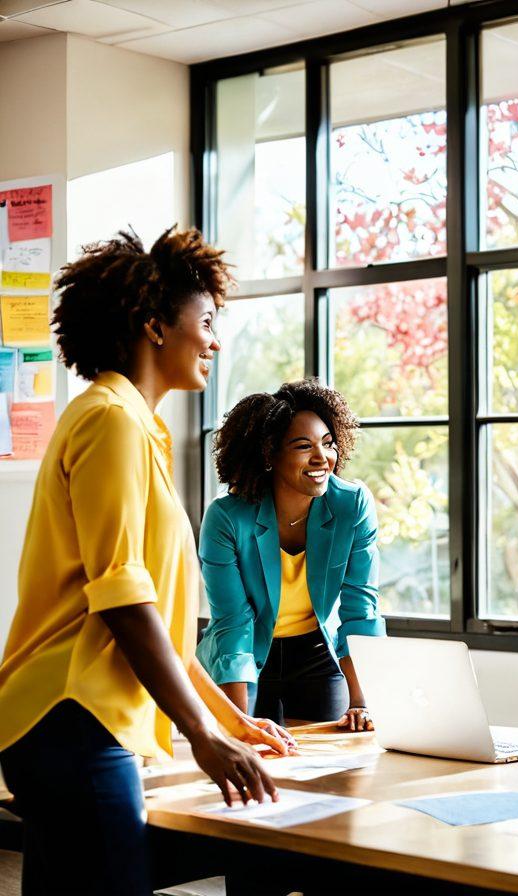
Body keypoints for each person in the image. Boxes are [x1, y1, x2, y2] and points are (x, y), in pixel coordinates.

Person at [0, 228, 294, 896]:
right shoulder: (112, 421)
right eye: (207, 321)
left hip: (65, 724)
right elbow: (123, 601)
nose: (215, 340)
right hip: (71, 719)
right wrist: (202, 735)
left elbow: (151, 614)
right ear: (156, 326)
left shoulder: (132, 425)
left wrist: (230, 719)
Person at [196, 381, 387, 730]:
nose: (322, 458)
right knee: (249, 757)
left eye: (328, 444)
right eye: (303, 446)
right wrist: (239, 722)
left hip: (316, 653)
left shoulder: (352, 505)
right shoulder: (226, 519)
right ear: (269, 455)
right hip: (246, 657)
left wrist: (363, 702)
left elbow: (361, 608)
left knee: (333, 765)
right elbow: (232, 622)